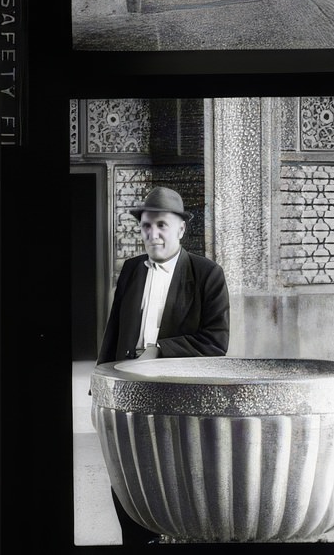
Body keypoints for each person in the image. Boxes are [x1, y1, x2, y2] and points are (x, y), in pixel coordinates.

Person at [96, 186, 230, 545]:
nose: (152, 234)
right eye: (146, 226)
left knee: (173, 481)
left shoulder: (207, 275)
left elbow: (216, 344)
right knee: (127, 479)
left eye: (161, 226)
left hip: (177, 397)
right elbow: (114, 330)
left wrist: (157, 351)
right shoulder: (130, 270)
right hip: (127, 392)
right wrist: (99, 380)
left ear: (181, 229)